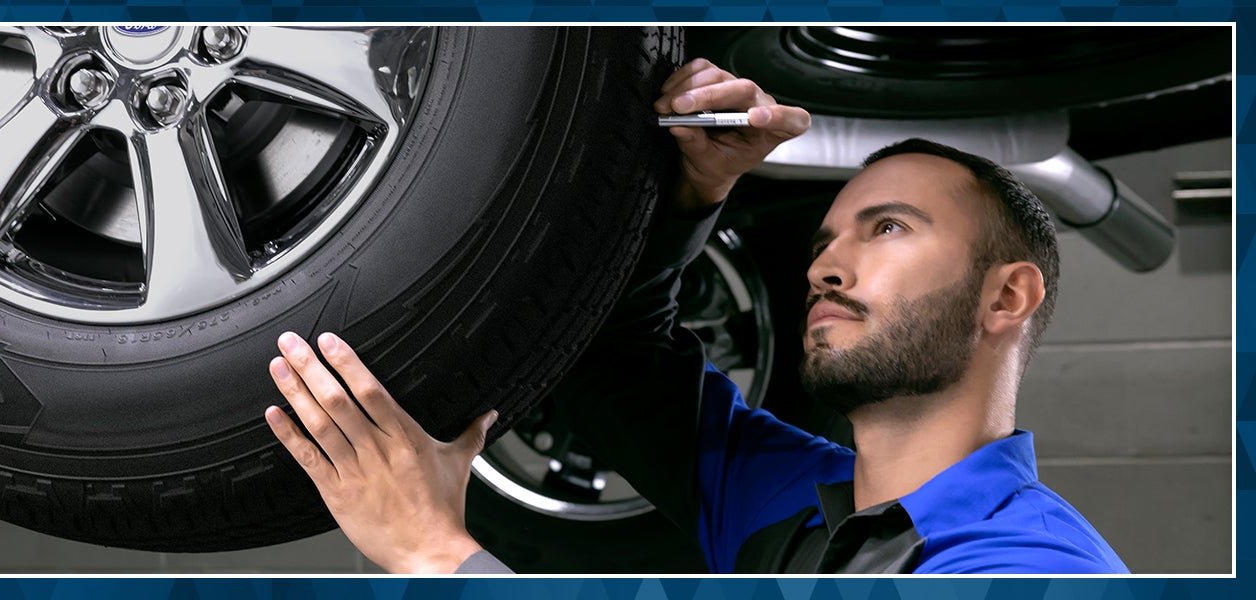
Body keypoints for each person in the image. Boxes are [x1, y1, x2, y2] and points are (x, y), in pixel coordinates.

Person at [257, 59, 1129, 574]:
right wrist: (694, 192)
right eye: (829, 237)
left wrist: (435, 554)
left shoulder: (1032, 566)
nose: (826, 264)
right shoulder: (795, 500)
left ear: (1005, 297)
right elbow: (611, 368)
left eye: (889, 228)